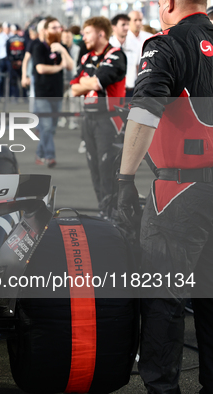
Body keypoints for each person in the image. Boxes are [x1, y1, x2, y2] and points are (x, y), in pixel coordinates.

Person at [116, 1, 213, 393]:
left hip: (180, 191)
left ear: (170, 4)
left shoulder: (165, 44)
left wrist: (124, 180)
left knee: (162, 298)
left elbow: (144, 112)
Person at [71, 16, 126, 217]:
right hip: (88, 119)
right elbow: (73, 89)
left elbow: (96, 84)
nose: (83, 37)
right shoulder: (86, 58)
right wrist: (88, 83)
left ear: (100, 33)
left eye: (87, 32)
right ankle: (103, 213)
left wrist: (87, 82)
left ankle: (114, 217)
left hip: (109, 120)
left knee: (108, 171)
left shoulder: (116, 55)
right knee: (94, 170)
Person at [31, 16, 74, 168]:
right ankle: (49, 156)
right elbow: (40, 68)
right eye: (54, 28)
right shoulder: (39, 47)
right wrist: (58, 67)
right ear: (46, 31)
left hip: (57, 93)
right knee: (47, 127)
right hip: (42, 94)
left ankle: (40, 153)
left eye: (59, 27)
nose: (58, 30)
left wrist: (63, 50)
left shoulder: (62, 46)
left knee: (51, 128)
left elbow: (70, 66)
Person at [125, 10, 152, 97]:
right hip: (128, 85)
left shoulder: (148, 37)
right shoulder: (123, 39)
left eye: (140, 20)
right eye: (135, 20)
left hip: (146, 83)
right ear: (129, 21)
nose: (138, 23)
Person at [109, 14, 133, 98]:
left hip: (132, 91)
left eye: (127, 25)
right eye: (123, 25)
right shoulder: (108, 47)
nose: (126, 28)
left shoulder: (135, 45)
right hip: (114, 92)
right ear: (114, 27)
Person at [6, 24, 26, 98]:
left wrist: (13, 61)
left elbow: (8, 53)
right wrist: (20, 61)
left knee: (14, 81)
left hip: (13, 63)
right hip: (20, 63)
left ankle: (15, 97)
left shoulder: (9, 40)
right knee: (22, 79)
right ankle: (24, 97)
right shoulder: (23, 39)